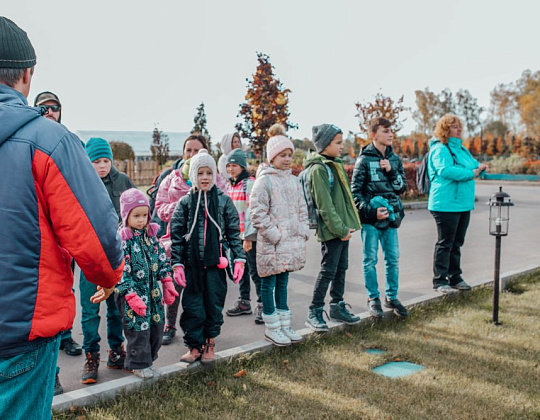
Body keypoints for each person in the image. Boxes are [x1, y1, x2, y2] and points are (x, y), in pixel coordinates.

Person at [0, 17, 123, 420]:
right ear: (27, 74)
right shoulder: (48, 141)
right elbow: (96, 237)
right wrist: (109, 277)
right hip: (20, 330)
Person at [170, 150, 246, 364]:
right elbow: (176, 235)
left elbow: (233, 232)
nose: (205, 177)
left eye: (209, 173)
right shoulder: (185, 203)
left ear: (215, 175)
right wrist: (177, 263)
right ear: (194, 175)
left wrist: (238, 258)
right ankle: (194, 346)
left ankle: (209, 342)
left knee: (213, 305)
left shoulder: (223, 201)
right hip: (192, 266)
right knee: (193, 307)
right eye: (201, 173)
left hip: (215, 266)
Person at [34, 90, 81, 396]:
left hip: (66, 236)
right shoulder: (30, 141)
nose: (50, 111)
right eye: (43, 108)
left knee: (66, 289)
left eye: (55, 107)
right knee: (42, 300)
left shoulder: (68, 142)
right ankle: (51, 374)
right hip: (38, 239)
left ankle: (66, 336)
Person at [80, 137, 136, 384]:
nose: (102, 166)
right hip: (89, 257)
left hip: (116, 258)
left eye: (106, 160)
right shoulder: (81, 182)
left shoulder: (123, 181)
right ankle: (91, 356)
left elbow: (137, 211)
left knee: (116, 309)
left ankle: (116, 351)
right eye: (96, 161)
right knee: (90, 310)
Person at [250, 124, 310, 346]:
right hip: (272, 245)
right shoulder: (263, 181)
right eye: (282, 155)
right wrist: (275, 235)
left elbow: (302, 208)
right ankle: (272, 327)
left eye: (289, 155)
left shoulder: (293, 181)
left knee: (283, 281)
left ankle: (285, 324)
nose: (287, 159)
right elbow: (257, 213)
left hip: (290, 244)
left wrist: (302, 229)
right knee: (269, 284)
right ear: (272, 156)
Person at [304, 124, 363, 332]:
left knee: (341, 268)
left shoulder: (333, 164)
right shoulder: (319, 169)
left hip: (342, 229)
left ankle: (337, 305)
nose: (341, 146)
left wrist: (347, 226)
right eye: (338, 143)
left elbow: (343, 199)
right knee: (328, 270)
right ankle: (314, 310)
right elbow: (325, 206)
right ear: (325, 144)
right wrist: (340, 229)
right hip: (332, 230)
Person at [115, 189, 178, 379]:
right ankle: (138, 364)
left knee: (156, 327)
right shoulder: (123, 240)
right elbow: (119, 269)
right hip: (133, 294)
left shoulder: (150, 236)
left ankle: (148, 360)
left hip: (152, 292)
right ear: (126, 215)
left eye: (145, 215)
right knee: (138, 330)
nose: (141, 220)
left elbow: (161, 258)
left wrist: (167, 281)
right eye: (136, 216)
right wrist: (130, 295)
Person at [351, 117, 408, 318]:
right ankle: (373, 298)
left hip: (391, 219)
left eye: (391, 130)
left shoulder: (395, 160)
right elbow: (355, 193)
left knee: (393, 259)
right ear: (373, 135)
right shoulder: (363, 160)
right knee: (370, 260)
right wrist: (371, 211)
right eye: (385, 131)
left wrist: (391, 171)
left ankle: (391, 297)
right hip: (371, 222)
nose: (390, 134)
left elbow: (402, 188)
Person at [155, 133, 208, 345]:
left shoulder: (210, 177)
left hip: (202, 244)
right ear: (183, 152)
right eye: (189, 150)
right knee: (174, 287)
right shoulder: (171, 179)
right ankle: (170, 325)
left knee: (199, 289)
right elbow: (160, 209)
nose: (192, 155)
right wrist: (182, 206)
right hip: (176, 243)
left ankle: (198, 328)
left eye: (197, 151)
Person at [428, 114, 487, 294]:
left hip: (463, 203)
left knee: (457, 243)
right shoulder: (439, 149)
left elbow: (475, 165)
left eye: (460, 126)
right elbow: (446, 170)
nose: (459, 129)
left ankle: (455, 277)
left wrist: (479, 169)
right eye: (454, 127)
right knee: (445, 242)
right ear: (445, 130)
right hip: (445, 203)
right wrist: (472, 172)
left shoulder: (462, 150)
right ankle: (440, 281)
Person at [223, 149, 263, 323]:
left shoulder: (249, 184)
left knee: (255, 270)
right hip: (234, 238)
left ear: (242, 166)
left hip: (249, 237)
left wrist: (248, 237)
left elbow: (251, 212)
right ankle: (244, 301)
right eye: (229, 166)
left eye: (235, 165)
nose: (231, 169)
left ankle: (263, 305)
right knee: (240, 271)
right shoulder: (229, 185)